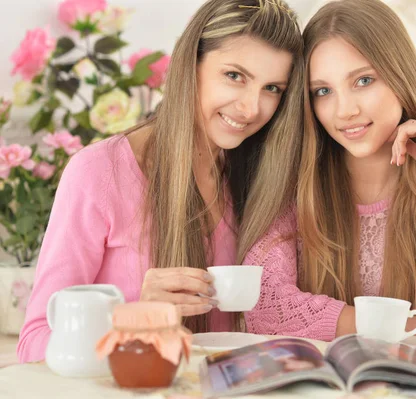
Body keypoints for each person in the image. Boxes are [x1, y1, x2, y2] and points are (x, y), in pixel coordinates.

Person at [18, 0, 304, 363]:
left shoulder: (253, 177)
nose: (251, 108)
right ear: (191, 66)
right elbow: (34, 342)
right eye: (234, 76)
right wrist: (134, 317)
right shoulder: (99, 172)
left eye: (272, 89)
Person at [242, 0, 416, 342]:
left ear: (400, 75)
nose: (345, 110)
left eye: (363, 80)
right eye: (323, 91)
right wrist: (402, 326)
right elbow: (263, 303)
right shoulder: (298, 188)